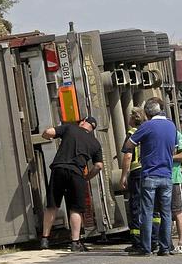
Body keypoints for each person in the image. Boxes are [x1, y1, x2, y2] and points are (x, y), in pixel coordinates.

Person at [122, 97, 177, 257]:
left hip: (149, 174)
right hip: (166, 175)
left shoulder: (147, 126)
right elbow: (173, 150)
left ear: (147, 112)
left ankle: (146, 248)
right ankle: (165, 248)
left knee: (146, 211)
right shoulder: (171, 126)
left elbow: (128, 145)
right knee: (165, 213)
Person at [39, 116, 104, 252]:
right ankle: (75, 242)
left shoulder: (70, 128)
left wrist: (45, 136)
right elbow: (98, 166)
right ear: (92, 129)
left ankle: (45, 240)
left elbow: (49, 132)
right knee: (76, 208)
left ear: (83, 122)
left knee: (52, 204)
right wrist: (87, 177)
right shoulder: (96, 144)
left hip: (59, 169)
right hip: (77, 173)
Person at [119, 107, 146, 252]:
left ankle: (136, 242)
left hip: (135, 173)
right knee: (148, 206)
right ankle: (151, 239)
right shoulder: (147, 131)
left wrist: (124, 175)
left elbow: (128, 156)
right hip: (148, 171)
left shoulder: (131, 134)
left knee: (135, 206)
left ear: (133, 119)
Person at [169, 130, 182, 255]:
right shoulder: (153, 131)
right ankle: (165, 244)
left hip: (173, 179)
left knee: (177, 211)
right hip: (159, 178)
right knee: (161, 213)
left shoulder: (175, 133)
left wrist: (170, 157)